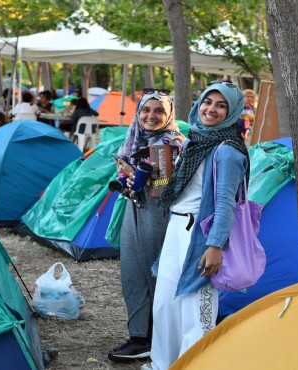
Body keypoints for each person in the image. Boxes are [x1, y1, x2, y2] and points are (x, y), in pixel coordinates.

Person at [147, 81, 249, 370]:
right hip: (176, 227)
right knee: (165, 303)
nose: (211, 110)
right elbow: (178, 189)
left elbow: (225, 202)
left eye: (221, 105)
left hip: (200, 234)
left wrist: (216, 245)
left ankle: (196, 365)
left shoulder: (228, 150)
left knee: (196, 307)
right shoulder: (194, 140)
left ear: (232, 112)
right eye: (207, 102)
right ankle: (162, 364)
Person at [107, 89, 186, 363]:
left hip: (160, 213)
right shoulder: (133, 137)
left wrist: (146, 179)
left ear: (169, 115)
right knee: (131, 271)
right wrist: (127, 179)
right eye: (146, 110)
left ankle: (159, 338)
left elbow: (170, 189)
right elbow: (123, 171)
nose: (151, 116)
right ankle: (138, 336)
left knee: (156, 273)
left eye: (159, 111)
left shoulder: (175, 143)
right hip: (135, 207)